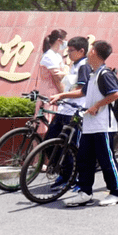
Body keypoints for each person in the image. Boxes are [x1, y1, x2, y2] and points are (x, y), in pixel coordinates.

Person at [64, 40, 118, 207]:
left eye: (91, 49)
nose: (89, 52)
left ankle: (116, 192)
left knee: (106, 160)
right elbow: (83, 92)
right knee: (85, 159)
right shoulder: (93, 73)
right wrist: (61, 96)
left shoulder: (105, 74)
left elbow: (115, 94)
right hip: (90, 125)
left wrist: (97, 105)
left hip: (103, 125)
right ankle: (85, 192)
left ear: (95, 53)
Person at [46, 36, 91, 188]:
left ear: (81, 51)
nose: (69, 54)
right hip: (64, 109)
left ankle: (76, 179)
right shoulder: (74, 65)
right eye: (68, 50)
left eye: (71, 51)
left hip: (75, 112)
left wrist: (61, 95)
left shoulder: (84, 66)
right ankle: (65, 174)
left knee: (73, 147)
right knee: (50, 141)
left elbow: (81, 91)